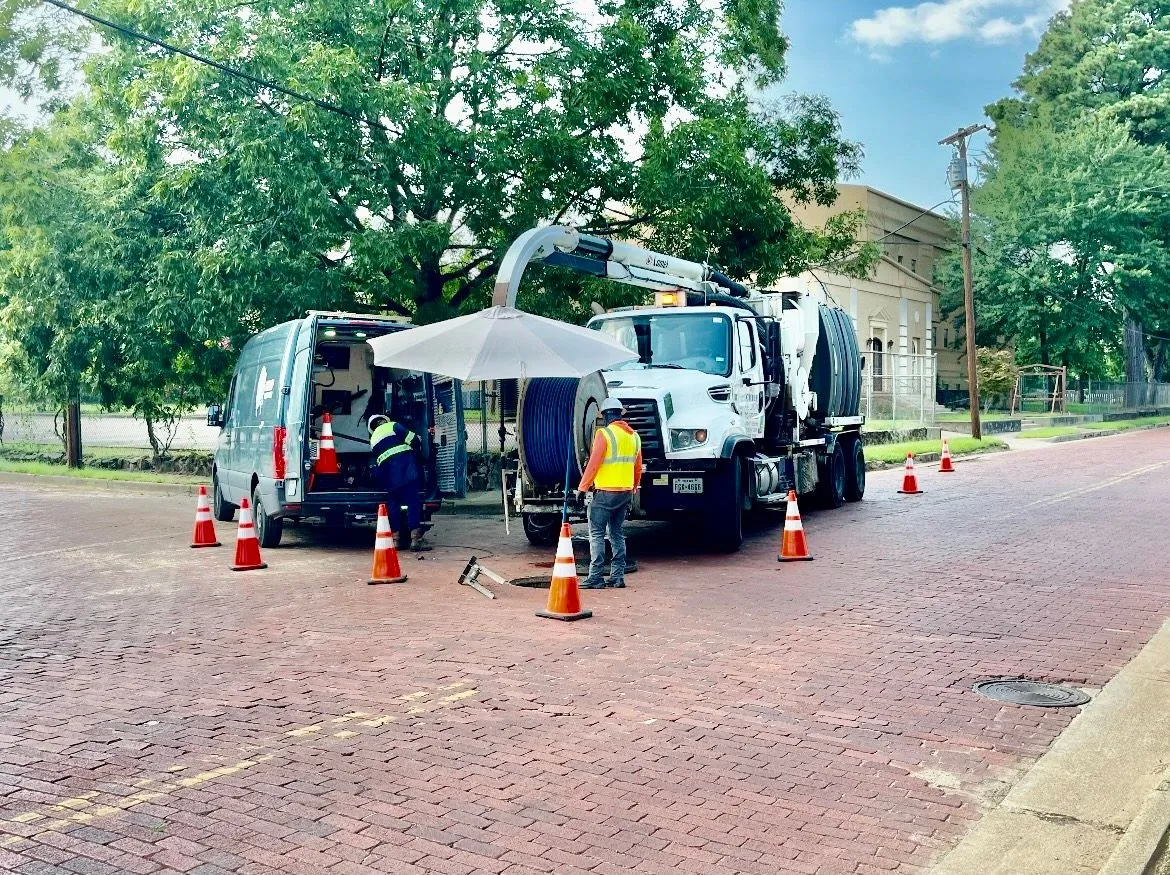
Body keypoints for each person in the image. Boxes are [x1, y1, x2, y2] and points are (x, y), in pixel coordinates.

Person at [576, 398, 642, 589]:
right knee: (616, 533)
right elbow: (638, 468)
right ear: (619, 414)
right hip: (625, 493)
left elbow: (593, 464)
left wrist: (582, 487)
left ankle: (595, 577)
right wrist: (634, 486)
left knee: (596, 533)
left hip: (605, 493)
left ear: (605, 416)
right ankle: (617, 576)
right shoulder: (634, 437)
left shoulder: (604, 434)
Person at [368, 414, 432, 552]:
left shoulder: (373, 440)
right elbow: (414, 440)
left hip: (389, 477)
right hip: (406, 471)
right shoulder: (393, 426)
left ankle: (396, 539)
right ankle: (415, 539)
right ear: (384, 420)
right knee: (412, 503)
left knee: (394, 505)